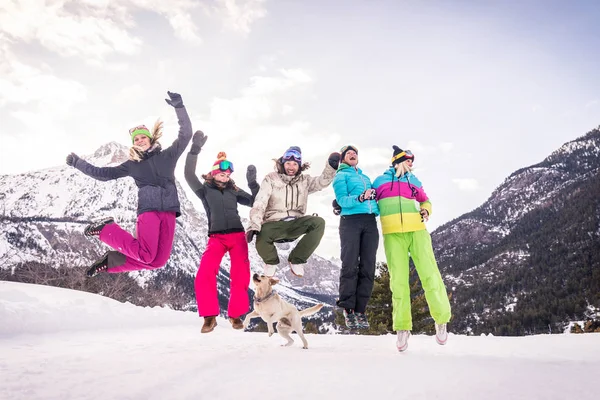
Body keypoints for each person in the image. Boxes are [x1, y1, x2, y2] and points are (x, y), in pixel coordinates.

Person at [65, 91, 192, 277]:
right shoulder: (133, 165)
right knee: (146, 255)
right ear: (133, 144)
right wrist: (78, 163)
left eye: (142, 137)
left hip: (170, 211)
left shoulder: (168, 156)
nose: (140, 141)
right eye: (136, 139)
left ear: (150, 138)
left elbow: (186, 134)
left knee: (158, 261)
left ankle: (111, 261)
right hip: (148, 210)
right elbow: (103, 174)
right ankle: (105, 229)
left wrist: (179, 107)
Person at [372, 145, 451, 351]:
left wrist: (426, 210)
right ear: (397, 161)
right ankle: (402, 327)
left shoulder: (414, 181)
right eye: (408, 160)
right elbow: (370, 204)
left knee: (430, 275)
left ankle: (441, 320)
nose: (411, 164)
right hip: (392, 235)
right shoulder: (379, 182)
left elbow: (425, 200)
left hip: (417, 232)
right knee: (398, 281)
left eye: (412, 161)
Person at [184, 130, 259, 333]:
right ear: (213, 173)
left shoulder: (234, 190)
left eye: (227, 174)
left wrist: (253, 184)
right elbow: (188, 175)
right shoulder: (204, 190)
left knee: (241, 275)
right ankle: (209, 317)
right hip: (216, 238)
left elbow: (256, 201)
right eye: (221, 173)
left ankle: (235, 315)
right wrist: (195, 149)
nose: (225, 177)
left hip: (237, 237)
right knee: (204, 274)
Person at [246, 146, 340, 277]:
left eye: (295, 164)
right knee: (262, 234)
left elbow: (321, 182)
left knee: (318, 223)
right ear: (283, 164)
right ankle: (271, 262)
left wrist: (331, 167)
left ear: (299, 166)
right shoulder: (271, 179)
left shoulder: (304, 181)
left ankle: (297, 259)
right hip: (274, 223)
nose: (291, 167)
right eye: (288, 163)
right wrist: (254, 225)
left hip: (296, 223)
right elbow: (260, 201)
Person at [332, 145, 379, 330]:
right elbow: (342, 201)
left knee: (368, 265)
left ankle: (360, 310)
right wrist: (360, 198)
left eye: (355, 153)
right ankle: (348, 308)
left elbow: (374, 200)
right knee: (350, 264)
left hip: (370, 222)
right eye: (348, 153)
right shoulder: (340, 176)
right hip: (350, 221)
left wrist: (374, 200)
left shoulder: (366, 178)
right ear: (343, 159)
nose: (353, 155)